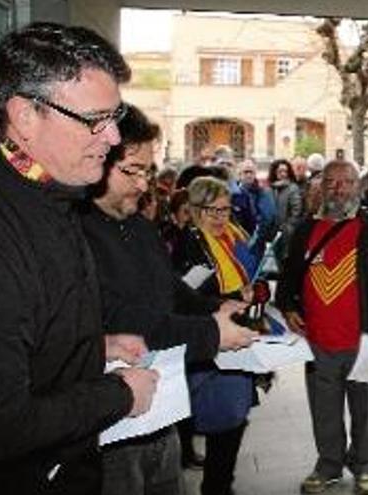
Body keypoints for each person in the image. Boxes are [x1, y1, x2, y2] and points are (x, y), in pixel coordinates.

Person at [0, 22, 160, 494]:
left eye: (114, 115)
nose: (114, 137)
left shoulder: (44, 186)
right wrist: (118, 396)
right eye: (96, 119)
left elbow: (15, 329)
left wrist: (91, 346)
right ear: (25, 115)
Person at [80, 104, 257, 495]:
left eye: (147, 171)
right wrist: (211, 333)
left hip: (163, 410)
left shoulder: (139, 228)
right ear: (96, 158)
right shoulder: (75, 233)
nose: (144, 185)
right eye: (133, 171)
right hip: (111, 424)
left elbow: (172, 289)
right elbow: (121, 318)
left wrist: (217, 307)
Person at [276, 160, 368, 495]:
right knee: (324, 413)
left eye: (346, 182)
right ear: (321, 186)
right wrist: (289, 307)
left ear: (358, 186)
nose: (338, 189)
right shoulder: (306, 230)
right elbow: (288, 278)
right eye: (331, 182)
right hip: (318, 343)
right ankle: (328, 466)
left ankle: (365, 467)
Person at [171, 176, 260, 495]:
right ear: (195, 209)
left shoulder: (231, 236)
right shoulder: (189, 242)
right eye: (214, 211)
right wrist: (230, 297)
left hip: (235, 334)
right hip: (211, 341)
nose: (223, 217)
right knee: (225, 418)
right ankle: (217, 486)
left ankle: (221, 482)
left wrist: (247, 291)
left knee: (234, 419)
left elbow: (241, 271)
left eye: (226, 209)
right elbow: (183, 296)